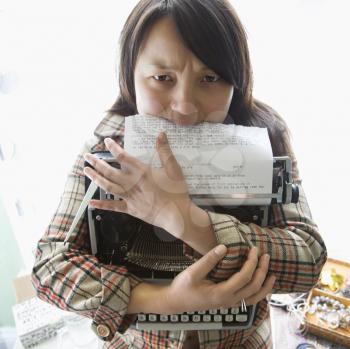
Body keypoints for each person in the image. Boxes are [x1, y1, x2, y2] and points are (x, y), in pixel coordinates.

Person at [31, 1, 327, 348]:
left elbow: (309, 260)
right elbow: (49, 269)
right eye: (162, 78)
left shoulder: (266, 138)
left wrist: (183, 218)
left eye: (210, 78)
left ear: (236, 77)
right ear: (130, 74)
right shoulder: (107, 146)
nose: (185, 105)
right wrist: (167, 299)